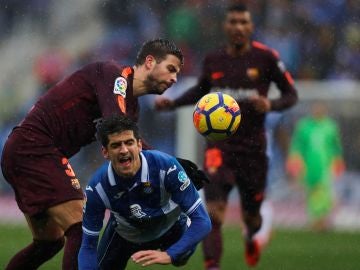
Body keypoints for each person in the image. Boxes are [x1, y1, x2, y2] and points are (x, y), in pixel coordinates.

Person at [0, 38, 185, 270]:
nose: (174, 78)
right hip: (34, 147)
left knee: (48, 243)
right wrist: (170, 166)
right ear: (149, 62)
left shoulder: (132, 109)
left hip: (27, 150)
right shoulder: (114, 76)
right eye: (170, 69)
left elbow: (125, 146)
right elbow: (115, 127)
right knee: (80, 227)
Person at [155, 4, 298, 269]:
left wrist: (271, 105)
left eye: (243, 22)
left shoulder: (266, 58)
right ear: (226, 26)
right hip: (218, 148)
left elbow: (292, 94)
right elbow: (200, 90)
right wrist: (173, 104)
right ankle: (212, 265)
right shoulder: (214, 59)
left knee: (252, 216)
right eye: (233, 22)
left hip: (254, 149)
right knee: (214, 213)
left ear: (251, 26)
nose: (238, 28)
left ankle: (252, 235)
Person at [78, 114, 211, 269]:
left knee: (180, 259)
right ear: (105, 152)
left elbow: (203, 221)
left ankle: (181, 228)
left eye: (129, 143)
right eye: (115, 145)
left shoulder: (166, 167)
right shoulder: (97, 188)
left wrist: (170, 254)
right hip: (125, 234)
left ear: (139, 145)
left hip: (170, 226)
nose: (124, 150)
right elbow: (88, 246)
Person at [286, 101, 345, 231]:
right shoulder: (304, 126)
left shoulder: (330, 127)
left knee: (323, 191)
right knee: (312, 192)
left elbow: (336, 147)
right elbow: (297, 146)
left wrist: (338, 161)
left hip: (324, 165)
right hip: (308, 165)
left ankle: (322, 220)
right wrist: (294, 161)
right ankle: (316, 220)